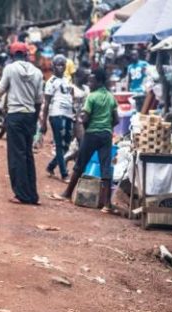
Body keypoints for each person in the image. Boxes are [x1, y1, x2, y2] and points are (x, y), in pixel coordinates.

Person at [52, 69, 118, 213]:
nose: (89, 83)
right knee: (105, 167)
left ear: (98, 82)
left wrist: (85, 125)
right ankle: (107, 204)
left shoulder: (92, 97)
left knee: (80, 164)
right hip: (106, 135)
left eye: (91, 81)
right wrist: (107, 127)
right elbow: (116, 119)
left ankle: (67, 193)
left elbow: (85, 117)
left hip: (92, 134)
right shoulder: (111, 97)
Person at [0, 42, 44, 205]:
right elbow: (39, 100)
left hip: (15, 116)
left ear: (12, 55)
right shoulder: (37, 72)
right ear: (26, 55)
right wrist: (35, 119)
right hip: (30, 116)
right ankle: (32, 194)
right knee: (28, 155)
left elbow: (0, 90)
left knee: (17, 156)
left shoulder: (10, 69)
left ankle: (21, 194)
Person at [40, 55, 74, 183]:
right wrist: (43, 122)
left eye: (63, 65)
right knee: (59, 144)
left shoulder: (67, 80)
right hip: (56, 114)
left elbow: (71, 97)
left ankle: (51, 166)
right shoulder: (50, 82)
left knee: (67, 144)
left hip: (68, 114)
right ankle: (64, 173)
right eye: (58, 65)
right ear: (53, 66)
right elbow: (46, 103)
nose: (61, 67)